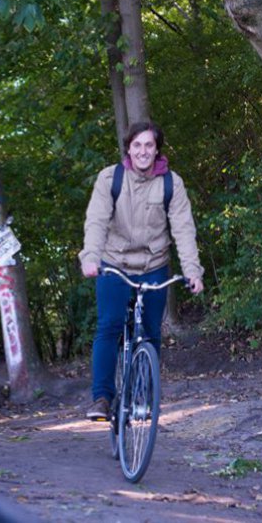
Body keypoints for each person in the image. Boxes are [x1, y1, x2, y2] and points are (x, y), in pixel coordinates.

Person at [79, 121, 204, 421]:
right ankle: (102, 398)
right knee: (109, 327)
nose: (143, 151)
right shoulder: (110, 178)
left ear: (157, 148)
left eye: (149, 145)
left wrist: (192, 270)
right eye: (137, 145)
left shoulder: (172, 183)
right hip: (114, 264)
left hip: (153, 266)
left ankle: (143, 397)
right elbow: (96, 220)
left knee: (149, 334)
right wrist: (90, 257)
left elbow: (184, 229)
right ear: (129, 148)